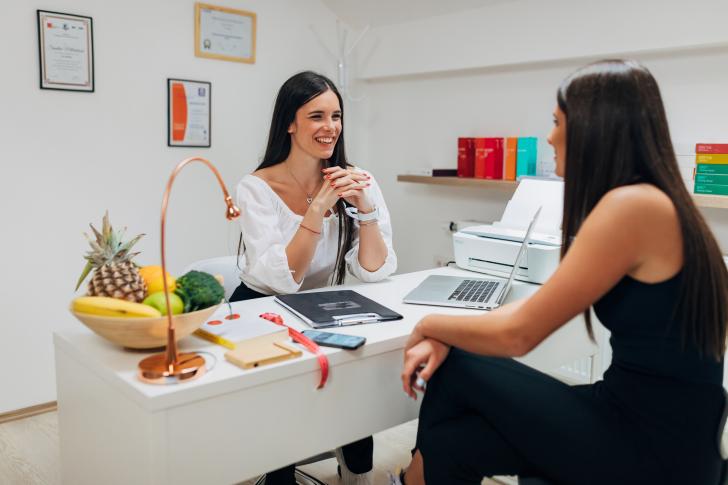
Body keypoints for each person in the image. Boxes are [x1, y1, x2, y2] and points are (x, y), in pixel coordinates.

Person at [394, 59, 727, 485]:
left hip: (655, 446)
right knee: (453, 443)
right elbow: (531, 311)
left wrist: (429, 325)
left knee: (457, 365)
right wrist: (445, 330)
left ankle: (409, 480)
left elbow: (519, 334)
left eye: (556, 122)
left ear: (596, 126)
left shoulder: (633, 207)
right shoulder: (654, 201)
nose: (550, 137)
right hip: (646, 423)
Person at [233, 71, 397, 485]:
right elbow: (284, 276)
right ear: (290, 122)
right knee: (283, 391)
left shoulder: (359, 179)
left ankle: (356, 470)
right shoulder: (256, 187)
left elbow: (376, 271)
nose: (330, 128)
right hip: (261, 306)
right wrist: (317, 210)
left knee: (357, 373)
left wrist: (365, 209)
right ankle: (278, 477)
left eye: (336, 116)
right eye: (317, 116)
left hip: (325, 303)